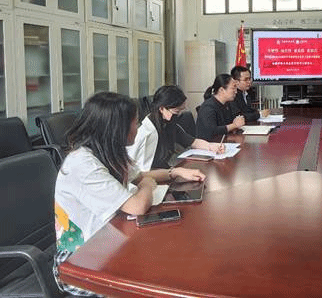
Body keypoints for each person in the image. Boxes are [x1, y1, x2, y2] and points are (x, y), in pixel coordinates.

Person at [53, 92, 205, 296]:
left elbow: (141, 175)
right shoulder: (83, 164)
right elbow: (137, 205)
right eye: (135, 122)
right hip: (78, 262)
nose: (138, 126)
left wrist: (174, 172)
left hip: (111, 240)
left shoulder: (108, 151)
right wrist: (147, 186)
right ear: (117, 128)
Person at [128, 85, 225, 171]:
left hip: (165, 172)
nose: (178, 116)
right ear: (162, 109)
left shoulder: (168, 123)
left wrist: (211, 146)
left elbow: (192, 142)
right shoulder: (148, 132)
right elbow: (142, 171)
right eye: (176, 112)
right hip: (152, 177)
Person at [196, 74, 245, 141]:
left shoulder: (227, 104)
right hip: (209, 144)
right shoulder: (208, 107)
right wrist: (234, 125)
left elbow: (228, 124)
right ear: (221, 90)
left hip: (223, 141)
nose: (236, 92)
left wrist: (235, 125)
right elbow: (212, 131)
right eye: (233, 88)